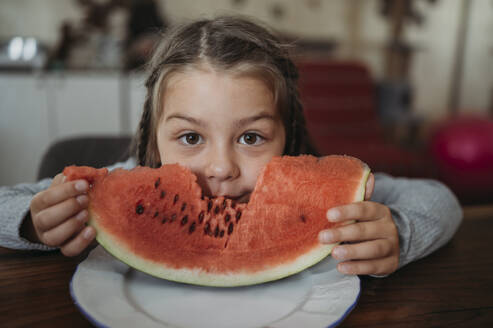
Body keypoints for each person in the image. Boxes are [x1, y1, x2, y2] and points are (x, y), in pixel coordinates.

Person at [0, 16, 462, 277]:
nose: (220, 167)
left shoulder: (321, 204)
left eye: (250, 137)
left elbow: (439, 198)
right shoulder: (120, 183)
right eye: (190, 137)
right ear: (153, 136)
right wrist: (35, 223)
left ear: (288, 132)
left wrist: (399, 233)